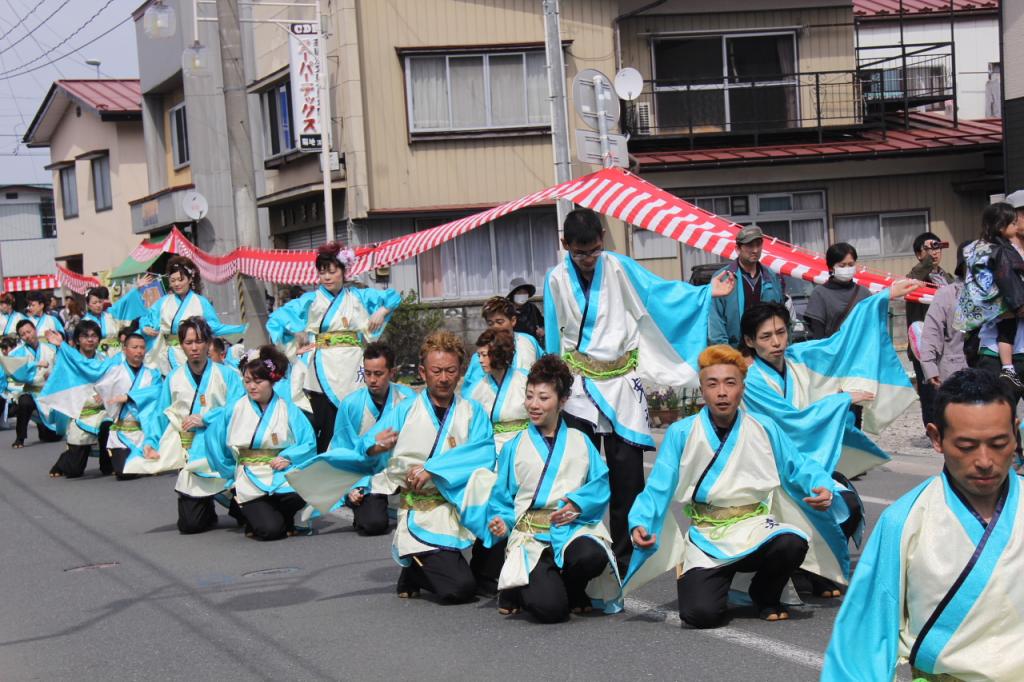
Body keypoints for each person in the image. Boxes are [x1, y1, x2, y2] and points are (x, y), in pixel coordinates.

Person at [544, 208, 734, 573]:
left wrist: (705, 293)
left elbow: (660, 294)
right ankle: (578, 553)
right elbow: (554, 335)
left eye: (594, 250)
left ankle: (627, 555)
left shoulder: (618, 267)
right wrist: (552, 385)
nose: (587, 260)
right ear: (564, 244)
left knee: (626, 474)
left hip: (621, 384)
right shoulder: (555, 279)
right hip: (579, 385)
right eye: (579, 253)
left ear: (603, 238)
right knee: (578, 472)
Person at [822, 369, 1024, 681]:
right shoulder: (904, 521)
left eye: (998, 443)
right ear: (935, 438)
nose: (985, 460)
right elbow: (864, 639)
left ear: (1015, 431)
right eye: (967, 446)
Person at [626, 346, 847, 627]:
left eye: (730, 383)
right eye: (712, 384)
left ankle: (765, 593)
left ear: (742, 387)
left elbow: (798, 465)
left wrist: (821, 485)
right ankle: (709, 576)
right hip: (708, 535)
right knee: (700, 616)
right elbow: (658, 488)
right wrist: (640, 523)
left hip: (755, 528)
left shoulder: (764, 426)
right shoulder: (681, 433)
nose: (721, 392)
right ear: (702, 391)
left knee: (792, 541)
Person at [357, 331, 499, 603]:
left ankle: (475, 570)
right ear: (423, 372)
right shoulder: (405, 410)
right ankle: (413, 568)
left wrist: (433, 468)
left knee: (502, 510)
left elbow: (484, 453)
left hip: (461, 506)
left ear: (461, 371)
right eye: (436, 371)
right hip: (422, 512)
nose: (444, 378)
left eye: (450, 371)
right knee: (458, 590)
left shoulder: (473, 411)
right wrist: (376, 446)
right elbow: (366, 445)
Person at [484, 355, 620, 622]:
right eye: (530, 396)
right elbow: (501, 498)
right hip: (531, 535)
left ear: (563, 400)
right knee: (551, 611)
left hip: (571, 529)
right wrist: (501, 520)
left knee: (592, 555)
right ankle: (519, 587)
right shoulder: (514, 446)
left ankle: (572, 586)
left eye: (543, 398)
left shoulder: (580, 441)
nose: (534, 405)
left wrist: (577, 504)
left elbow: (600, 483)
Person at [267, 242, 400, 452]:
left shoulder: (358, 297)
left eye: (332, 271)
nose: (327, 277)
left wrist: (381, 311)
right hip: (321, 368)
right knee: (324, 420)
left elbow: (393, 297)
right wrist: (297, 330)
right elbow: (277, 319)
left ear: (343, 272)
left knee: (357, 414)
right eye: (322, 273)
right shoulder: (311, 300)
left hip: (353, 364)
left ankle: (359, 458)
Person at [286, 342, 415, 535]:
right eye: (368, 373)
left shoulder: (408, 398)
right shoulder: (351, 404)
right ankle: (360, 503)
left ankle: (395, 501)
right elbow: (342, 451)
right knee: (374, 524)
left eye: (378, 374)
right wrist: (351, 487)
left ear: (392, 372)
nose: (372, 380)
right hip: (368, 475)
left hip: (402, 471)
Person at [192, 345, 316, 541]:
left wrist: (289, 457)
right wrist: (230, 472)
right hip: (249, 476)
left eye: (258, 381)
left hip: (280, 473)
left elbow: (308, 443)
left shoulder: (287, 408)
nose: (252, 386)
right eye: (248, 381)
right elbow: (213, 440)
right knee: (271, 531)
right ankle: (256, 514)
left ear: (271, 381)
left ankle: (277, 515)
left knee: (303, 490)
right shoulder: (235, 409)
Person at [136, 316, 245, 534]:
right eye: (188, 343)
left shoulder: (227, 375)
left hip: (222, 452)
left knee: (250, 517)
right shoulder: (174, 378)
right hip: (191, 454)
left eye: (199, 341)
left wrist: (208, 418)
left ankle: (237, 502)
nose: (194, 348)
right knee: (191, 525)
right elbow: (160, 415)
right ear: (181, 345)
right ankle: (207, 508)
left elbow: (239, 407)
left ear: (208, 343)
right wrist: (150, 442)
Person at [141, 256, 247, 376]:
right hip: (167, 354)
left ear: (190, 278)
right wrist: (145, 327)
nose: (176, 284)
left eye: (180, 280)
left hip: (194, 351)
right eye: (173, 280)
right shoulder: (163, 302)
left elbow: (213, 326)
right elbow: (147, 318)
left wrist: (241, 329)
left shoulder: (201, 302)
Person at [958, 203, 1024, 392]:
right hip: (994, 349)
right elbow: (977, 300)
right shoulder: (993, 251)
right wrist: (1014, 307)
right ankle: (1008, 366)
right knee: (1000, 415)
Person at [41, 321, 113, 478]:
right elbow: (62, 378)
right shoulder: (68, 358)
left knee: (108, 426)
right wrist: (61, 345)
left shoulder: (104, 360)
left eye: (94, 336)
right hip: (79, 413)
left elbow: (114, 382)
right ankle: (64, 460)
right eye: (85, 336)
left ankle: (107, 464)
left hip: (102, 412)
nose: (90, 340)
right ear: (77, 339)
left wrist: (106, 394)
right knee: (74, 471)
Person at [95, 326, 163, 480]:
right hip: (122, 432)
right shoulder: (114, 372)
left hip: (145, 431)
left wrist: (129, 396)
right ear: (125, 349)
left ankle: (147, 455)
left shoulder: (152, 374)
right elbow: (99, 385)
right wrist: (100, 395)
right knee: (124, 472)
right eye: (134, 347)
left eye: (142, 347)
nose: (139, 351)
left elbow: (159, 391)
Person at [707, 225, 785, 347]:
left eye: (758, 244)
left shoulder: (772, 277)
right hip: (736, 351)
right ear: (738, 248)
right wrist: (726, 354)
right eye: (749, 245)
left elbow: (783, 317)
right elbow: (715, 321)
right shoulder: (723, 277)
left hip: (767, 350)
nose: (755, 250)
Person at [907, 232, 952, 427]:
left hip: (948, 343)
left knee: (948, 389)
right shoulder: (914, 277)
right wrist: (927, 263)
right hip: (923, 345)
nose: (935, 253)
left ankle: (948, 426)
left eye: (938, 248)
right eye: (930, 248)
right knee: (929, 393)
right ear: (919, 254)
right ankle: (932, 429)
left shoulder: (946, 277)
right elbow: (910, 282)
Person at [2, 319, 66, 448]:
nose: (27, 336)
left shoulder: (51, 348)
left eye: (29, 332)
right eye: (23, 334)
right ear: (20, 337)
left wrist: (52, 375)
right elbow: (14, 373)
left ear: (35, 331)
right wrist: (35, 364)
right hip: (30, 390)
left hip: (49, 391)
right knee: (25, 402)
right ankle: (20, 438)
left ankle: (44, 426)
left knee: (51, 437)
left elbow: (62, 366)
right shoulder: (16, 353)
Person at [463, 329, 530, 451]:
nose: (480, 361)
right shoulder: (475, 390)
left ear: (497, 353)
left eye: (484, 355)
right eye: (479, 356)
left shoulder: (526, 380)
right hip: (494, 446)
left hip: (527, 442)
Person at [463, 296, 542, 387]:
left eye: (500, 322)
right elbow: (472, 389)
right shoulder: (480, 355)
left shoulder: (528, 341)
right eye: (490, 323)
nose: (495, 327)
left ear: (513, 321)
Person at [919, 243, 968, 387]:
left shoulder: (994, 292)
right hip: (954, 368)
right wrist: (929, 368)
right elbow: (931, 331)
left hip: (989, 367)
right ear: (962, 265)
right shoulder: (947, 294)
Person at [803, 242, 871, 339]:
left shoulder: (864, 293)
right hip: (833, 351)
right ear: (831, 267)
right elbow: (817, 333)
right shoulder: (820, 293)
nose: (847, 269)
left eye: (851, 264)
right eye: (842, 265)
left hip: (860, 351)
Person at [83, 283, 149, 358]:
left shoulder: (110, 313)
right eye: (94, 303)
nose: (98, 305)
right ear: (88, 305)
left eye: (100, 302)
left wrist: (136, 287)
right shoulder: (85, 321)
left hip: (117, 353)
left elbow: (124, 301)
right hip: (97, 356)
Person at [508, 277, 544, 342]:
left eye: (525, 292)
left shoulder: (532, 308)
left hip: (532, 344)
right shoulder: (506, 310)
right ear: (513, 294)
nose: (522, 295)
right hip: (512, 345)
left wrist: (542, 330)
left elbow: (542, 323)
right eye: (519, 292)